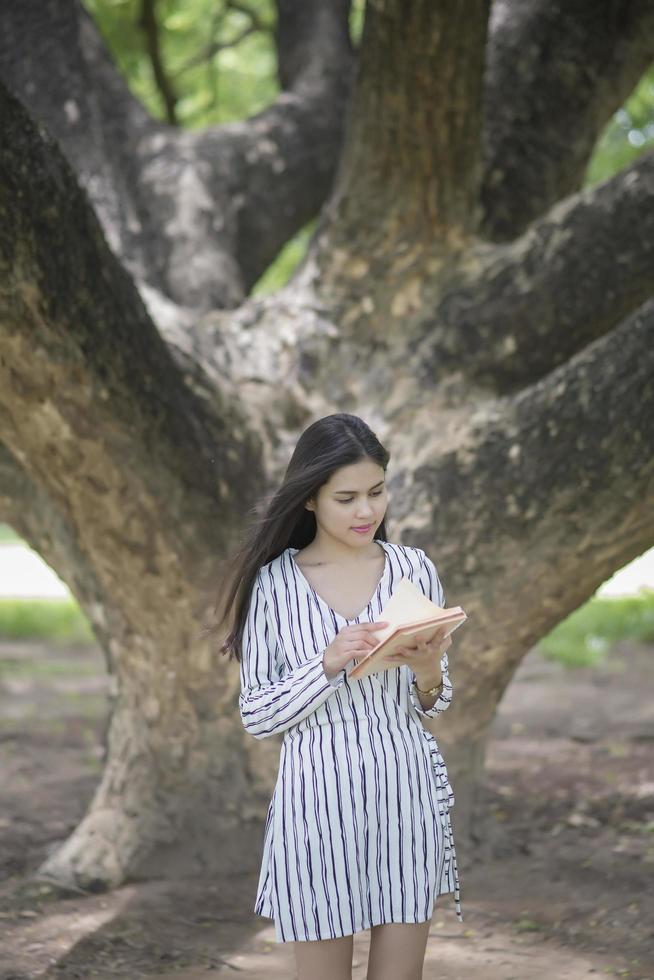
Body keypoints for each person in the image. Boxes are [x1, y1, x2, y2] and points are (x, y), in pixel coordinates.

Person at [216, 413, 462, 980]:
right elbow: (257, 713)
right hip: (316, 802)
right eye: (346, 497)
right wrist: (326, 666)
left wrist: (428, 668)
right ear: (309, 500)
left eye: (376, 492)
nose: (365, 511)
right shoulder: (274, 585)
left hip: (405, 794)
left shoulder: (413, 570)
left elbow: (435, 703)